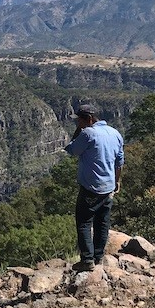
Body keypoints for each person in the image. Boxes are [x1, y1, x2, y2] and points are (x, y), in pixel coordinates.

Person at [64, 104, 124, 272]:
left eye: (80, 120)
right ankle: (98, 257)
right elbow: (119, 162)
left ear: (89, 119)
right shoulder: (115, 133)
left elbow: (72, 150)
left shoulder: (88, 134)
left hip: (91, 187)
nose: (78, 124)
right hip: (108, 187)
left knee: (84, 223)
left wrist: (78, 133)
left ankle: (87, 260)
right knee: (102, 223)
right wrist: (116, 182)